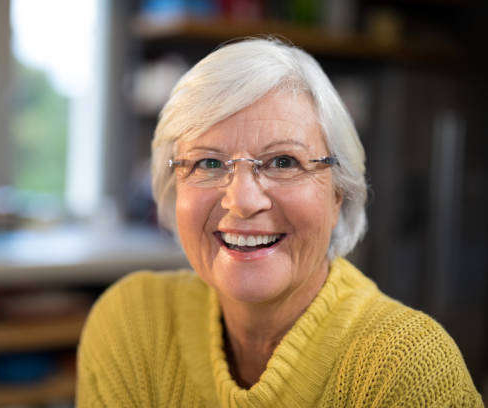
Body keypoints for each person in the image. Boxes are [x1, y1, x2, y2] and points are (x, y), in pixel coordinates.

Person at [76, 38, 483, 407]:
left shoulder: (407, 371)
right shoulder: (132, 325)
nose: (243, 202)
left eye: (283, 162)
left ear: (338, 192)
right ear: (172, 188)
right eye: (209, 163)